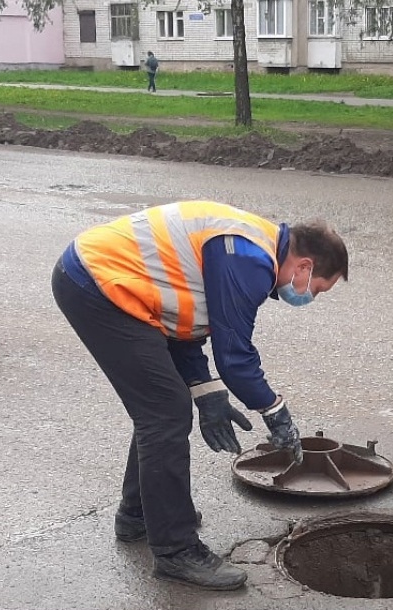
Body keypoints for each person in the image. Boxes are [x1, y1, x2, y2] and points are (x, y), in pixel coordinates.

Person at [51, 201, 348, 590]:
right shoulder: (249, 260)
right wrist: (276, 412)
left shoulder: (252, 246)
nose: (311, 296)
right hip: (99, 286)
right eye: (319, 289)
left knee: (161, 406)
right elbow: (235, 357)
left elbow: (183, 319)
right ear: (305, 266)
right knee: (165, 413)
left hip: (105, 281)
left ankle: (138, 514)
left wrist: (206, 392)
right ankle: (175, 552)